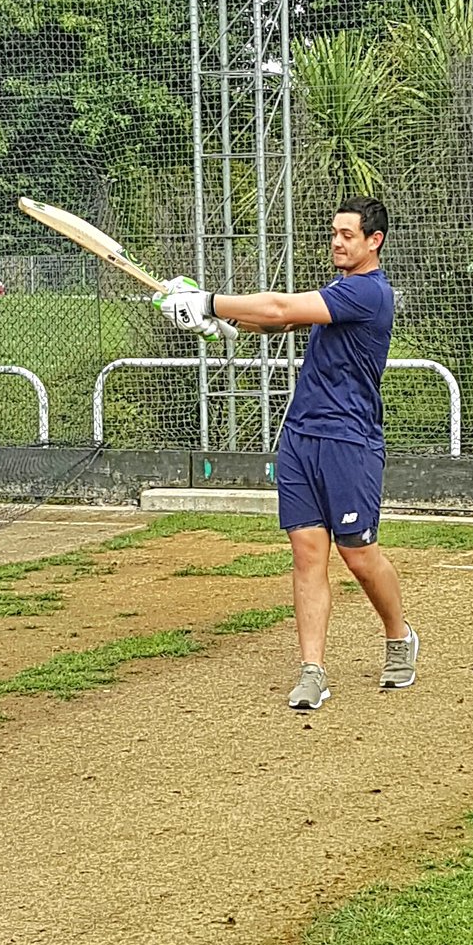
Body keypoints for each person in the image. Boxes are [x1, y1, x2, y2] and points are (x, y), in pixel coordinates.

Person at [161, 195, 417, 710]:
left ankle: (399, 637)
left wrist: (210, 302)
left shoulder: (370, 293)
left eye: (348, 234)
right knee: (306, 554)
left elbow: (281, 307)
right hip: (300, 436)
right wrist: (223, 323)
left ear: (375, 241)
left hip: (350, 441)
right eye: (334, 232)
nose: (337, 241)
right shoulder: (341, 290)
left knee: (359, 555)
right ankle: (312, 670)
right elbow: (278, 321)